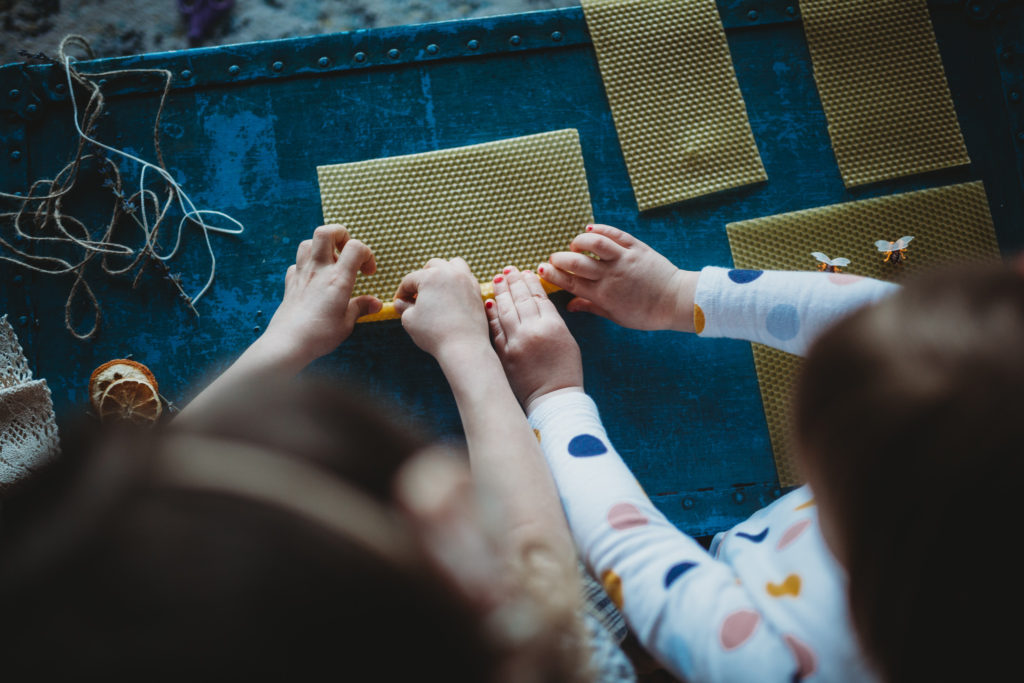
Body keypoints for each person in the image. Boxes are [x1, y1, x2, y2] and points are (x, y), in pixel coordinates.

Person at [0, 225, 635, 682]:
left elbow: (150, 507)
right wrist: (472, 350)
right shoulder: (554, 662)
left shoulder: (67, 627)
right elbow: (537, 562)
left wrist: (287, 339)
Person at [470, 223, 1024, 682]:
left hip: (683, 635)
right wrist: (679, 295)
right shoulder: (984, 435)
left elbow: (635, 557)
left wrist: (554, 397)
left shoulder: (775, 666)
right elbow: (880, 317)